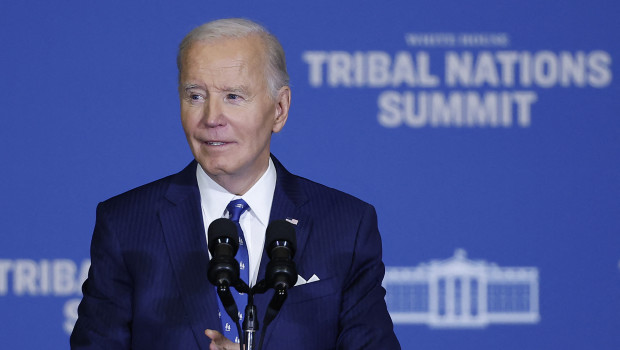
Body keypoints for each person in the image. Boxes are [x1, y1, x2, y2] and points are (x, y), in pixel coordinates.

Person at [70, 18, 400, 350]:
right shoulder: (126, 224)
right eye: (196, 96)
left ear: (280, 109)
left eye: (233, 96)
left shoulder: (346, 225)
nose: (212, 118)